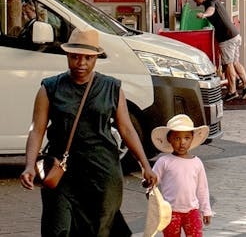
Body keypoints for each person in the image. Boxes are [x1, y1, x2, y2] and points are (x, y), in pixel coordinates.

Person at [20, 27, 158, 236]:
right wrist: (30, 165)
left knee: (100, 229)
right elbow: (36, 130)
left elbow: (127, 130)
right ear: (67, 56)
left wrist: (145, 166)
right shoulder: (49, 88)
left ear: (96, 58)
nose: (81, 63)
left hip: (102, 172)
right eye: (75, 57)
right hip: (61, 171)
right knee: (58, 228)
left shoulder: (111, 87)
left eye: (88, 58)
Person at [150, 114, 213, 237]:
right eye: (177, 138)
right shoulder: (164, 161)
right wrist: (149, 188)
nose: (182, 142)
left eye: (186, 138)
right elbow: (153, 180)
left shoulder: (197, 162)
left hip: (192, 211)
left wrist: (206, 210)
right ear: (169, 139)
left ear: (191, 139)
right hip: (170, 211)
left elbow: (202, 189)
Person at [192, 0, 246, 101]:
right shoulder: (214, 1)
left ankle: (232, 91)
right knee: (235, 62)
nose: (194, 0)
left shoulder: (210, 2)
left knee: (228, 64)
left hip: (226, 38)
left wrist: (204, 15)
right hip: (234, 35)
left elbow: (211, 10)